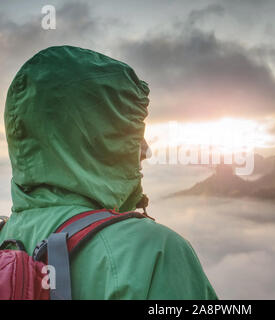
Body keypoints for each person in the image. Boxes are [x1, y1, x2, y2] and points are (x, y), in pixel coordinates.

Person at [0, 45, 218, 299]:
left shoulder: (5, 237)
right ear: (94, 139)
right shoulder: (157, 253)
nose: (146, 150)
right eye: (130, 133)